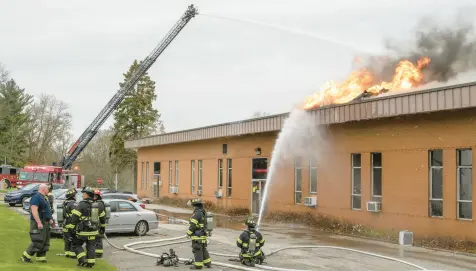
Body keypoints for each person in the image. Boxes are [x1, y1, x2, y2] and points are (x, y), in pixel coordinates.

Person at [21, 184, 55, 263]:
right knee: (38, 241)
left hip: (46, 223)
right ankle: (25, 257)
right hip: (39, 223)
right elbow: (34, 210)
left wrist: (51, 220)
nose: (48, 190)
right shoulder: (36, 197)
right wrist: (39, 222)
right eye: (47, 189)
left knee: (45, 242)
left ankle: (41, 258)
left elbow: (47, 211)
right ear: (43, 189)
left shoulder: (44, 198)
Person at [71, 187, 100, 268]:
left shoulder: (81, 204)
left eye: (83, 194)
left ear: (87, 195)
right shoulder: (95, 204)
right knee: (91, 247)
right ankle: (90, 263)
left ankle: (82, 260)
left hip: (83, 231)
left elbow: (75, 217)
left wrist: (71, 227)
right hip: (93, 230)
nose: (82, 195)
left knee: (76, 245)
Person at [186, 198, 211, 269]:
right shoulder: (203, 212)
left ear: (195, 206)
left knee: (197, 250)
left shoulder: (196, 214)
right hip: (202, 235)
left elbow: (193, 225)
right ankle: (208, 263)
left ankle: (198, 265)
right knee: (203, 249)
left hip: (197, 236)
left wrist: (188, 233)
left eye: (193, 206)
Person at [62, 188, 78, 259]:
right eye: (75, 195)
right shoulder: (73, 204)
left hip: (65, 224)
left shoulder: (65, 202)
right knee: (73, 239)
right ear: (72, 195)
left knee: (67, 240)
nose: (76, 196)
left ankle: (67, 253)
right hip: (71, 224)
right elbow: (76, 215)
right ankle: (72, 254)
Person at [93, 189, 107, 258]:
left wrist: (102, 227)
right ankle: (98, 253)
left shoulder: (98, 204)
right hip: (99, 224)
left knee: (97, 239)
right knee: (97, 239)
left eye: (93, 196)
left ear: (96, 196)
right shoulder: (101, 203)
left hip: (97, 225)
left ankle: (98, 254)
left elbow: (101, 217)